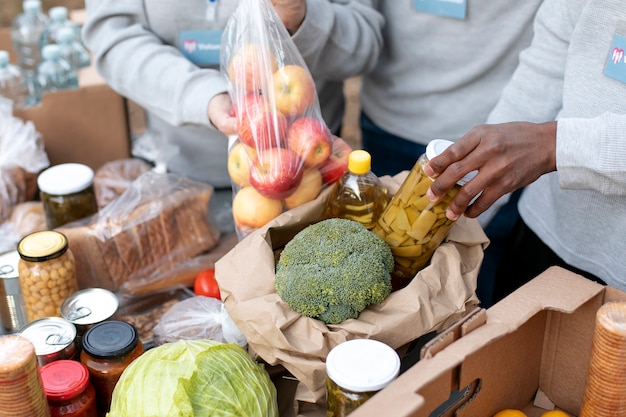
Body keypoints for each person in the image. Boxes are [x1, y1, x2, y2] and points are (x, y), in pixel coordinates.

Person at [81, 0, 383, 229]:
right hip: (178, 170)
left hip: (305, 178)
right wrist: (202, 95)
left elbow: (365, 42)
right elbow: (114, 38)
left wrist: (304, 20)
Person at [423, 0, 626, 299]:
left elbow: (545, 143)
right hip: (543, 230)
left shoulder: (550, 145)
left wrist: (553, 144)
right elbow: (543, 73)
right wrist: (451, 221)